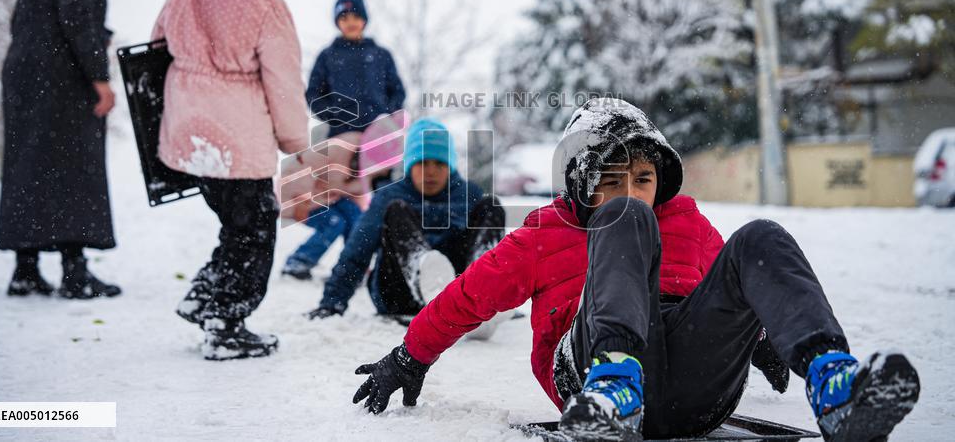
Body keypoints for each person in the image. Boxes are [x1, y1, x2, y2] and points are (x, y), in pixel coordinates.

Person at [349, 98, 921, 442]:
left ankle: (836, 389)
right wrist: (411, 354)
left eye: (642, 180)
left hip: (696, 386)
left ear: (660, 179)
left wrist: (766, 337)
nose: (631, 193)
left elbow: (745, 281)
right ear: (579, 181)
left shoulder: (690, 225)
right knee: (622, 222)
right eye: (610, 180)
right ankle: (614, 389)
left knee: (761, 239)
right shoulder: (545, 234)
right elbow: (469, 295)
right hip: (588, 370)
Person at [151, 0, 308, 360]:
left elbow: (155, 49)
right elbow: (283, 80)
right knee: (257, 228)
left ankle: (203, 293)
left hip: (190, 139)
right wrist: (295, 139)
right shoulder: (265, 3)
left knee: (235, 225)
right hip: (239, 143)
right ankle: (225, 321)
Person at [0, 0, 121, 300]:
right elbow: (78, 18)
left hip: (25, 74)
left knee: (30, 166)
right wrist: (99, 78)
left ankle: (25, 269)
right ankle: (75, 270)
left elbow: (34, 19)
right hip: (63, 76)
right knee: (74, 167)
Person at [307, 118, 505, 320]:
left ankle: (484, 288)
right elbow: (356, 252)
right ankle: (425, 273)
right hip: (399, 294)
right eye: (422, 163)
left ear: (450, 166)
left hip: (455, 289)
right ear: (410, 165)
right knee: (396, 210)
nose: (430, 171)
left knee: (491, 206)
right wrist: (331, 304)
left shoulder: (468, 194)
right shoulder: (389, 196)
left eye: (439, 163)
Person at [281, 0, 406, 279]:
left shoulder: (380, 55)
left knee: (381, 205)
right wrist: (337, 114)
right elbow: (313, 95)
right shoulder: (329, 56)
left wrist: (384, 116)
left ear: (364, 19)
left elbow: (398, 92)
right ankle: (349, 262)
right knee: (343, 202)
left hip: (376, 147)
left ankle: (376, 265)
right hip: (341, 145)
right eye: (344, 17)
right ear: (338, 21)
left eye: (355, 16)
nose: (350, 22)